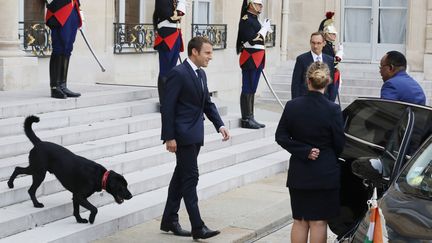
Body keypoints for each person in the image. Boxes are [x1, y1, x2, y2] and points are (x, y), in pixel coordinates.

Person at [160, 36, 230, 240]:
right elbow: (168, 107)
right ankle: (198, 227)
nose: (211, 57)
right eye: (207, 53)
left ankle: (169, 220)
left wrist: (220, 125)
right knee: (191, 178)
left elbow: (207, 103)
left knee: (180, 177)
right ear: (194, 52)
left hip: (194, 134)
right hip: (182, 136)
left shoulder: (200, 74)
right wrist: (169, 137)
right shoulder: (178, 73)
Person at [276, 61, 345, 243]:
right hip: (325, 172)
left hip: (300, 172)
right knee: (318, 222)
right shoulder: (333, 109)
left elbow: (281, 136)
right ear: (328, 81)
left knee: (300, 221)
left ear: (308, 80)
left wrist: (304, 150)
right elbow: (340, 143)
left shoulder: (292, 106)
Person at [236, 0, 272, 129]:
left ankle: (251, 116)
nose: (261, 6)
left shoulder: (255, 19)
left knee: (253, 88)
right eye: (258, 4)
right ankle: (246, 118)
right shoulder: (246, 19)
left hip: (257, 56)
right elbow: (251, 40)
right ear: (251, 5)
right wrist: (263, 30)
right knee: (247, 87)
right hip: (250, 57)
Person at [45, 0, 82, 99]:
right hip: (58, 10)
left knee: (67, 48)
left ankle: (62, 85)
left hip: (72, 8)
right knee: (59, 47)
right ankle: (54, 87)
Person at [153, 0, 186, 109]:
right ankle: (165, 102)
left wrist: (181, 5)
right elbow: (167, 14)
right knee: (165, 71)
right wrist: (180, 8)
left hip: (175, 35)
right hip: (166, 36)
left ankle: (171, 98)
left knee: (172, 71)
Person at [291, 32, 336, 101]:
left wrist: (331, 101)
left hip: (324, 101)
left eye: (318, 43)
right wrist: (296, 103)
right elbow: (296, 83)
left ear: (324, 43)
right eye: (313, 43)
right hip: (305, 101)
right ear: (310, 42)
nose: (315, 46)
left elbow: (332, 83)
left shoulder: (330, 60)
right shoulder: (301, 59)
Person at [322, 25, 343, 103]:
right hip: (329, 75)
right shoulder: (326, 47)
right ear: (327, 34)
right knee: (330, 99)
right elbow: (330, 63)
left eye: (335, 34)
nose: (335, 36)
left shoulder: (330, 46)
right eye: (333, 34)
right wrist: (339, 56)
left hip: (333, 74)